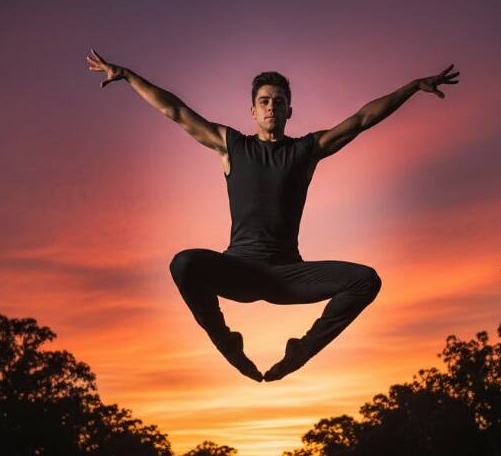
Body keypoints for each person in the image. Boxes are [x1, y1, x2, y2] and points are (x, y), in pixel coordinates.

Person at [86, 49, 459, 382]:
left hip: (288, 274)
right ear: (252, 110)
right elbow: (176, 111)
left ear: (289, 111)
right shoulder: (231, 145)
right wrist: (128, 75)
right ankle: (228, 345)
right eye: (264, 101)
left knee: (366, 281)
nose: (271, 107)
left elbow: (362, 119)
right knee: (183, 264)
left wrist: (412, 87)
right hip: (240, 270)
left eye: (279, 102)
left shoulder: (306, 151)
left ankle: (300, 353)